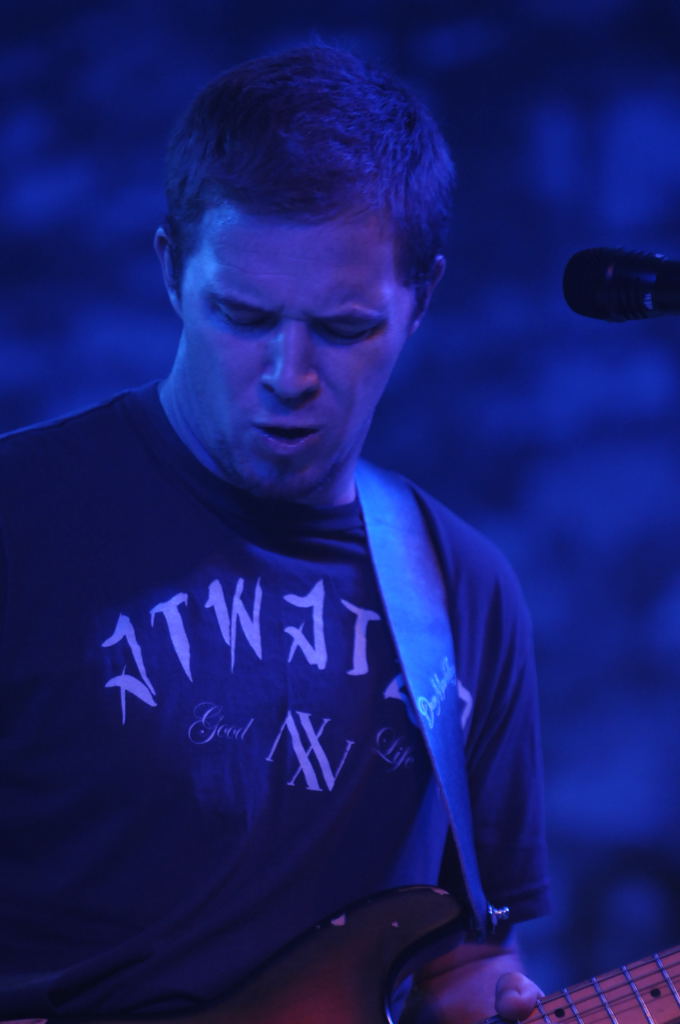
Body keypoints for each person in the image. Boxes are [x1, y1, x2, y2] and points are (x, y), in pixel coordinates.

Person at [0, 43, 550, 1023]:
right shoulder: (19, 521)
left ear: (420, 299)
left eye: (342, 328)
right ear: (171, 268)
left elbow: (465, 961)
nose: (288, 375)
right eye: (243, 315)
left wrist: (490, 995)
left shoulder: (462, 590)